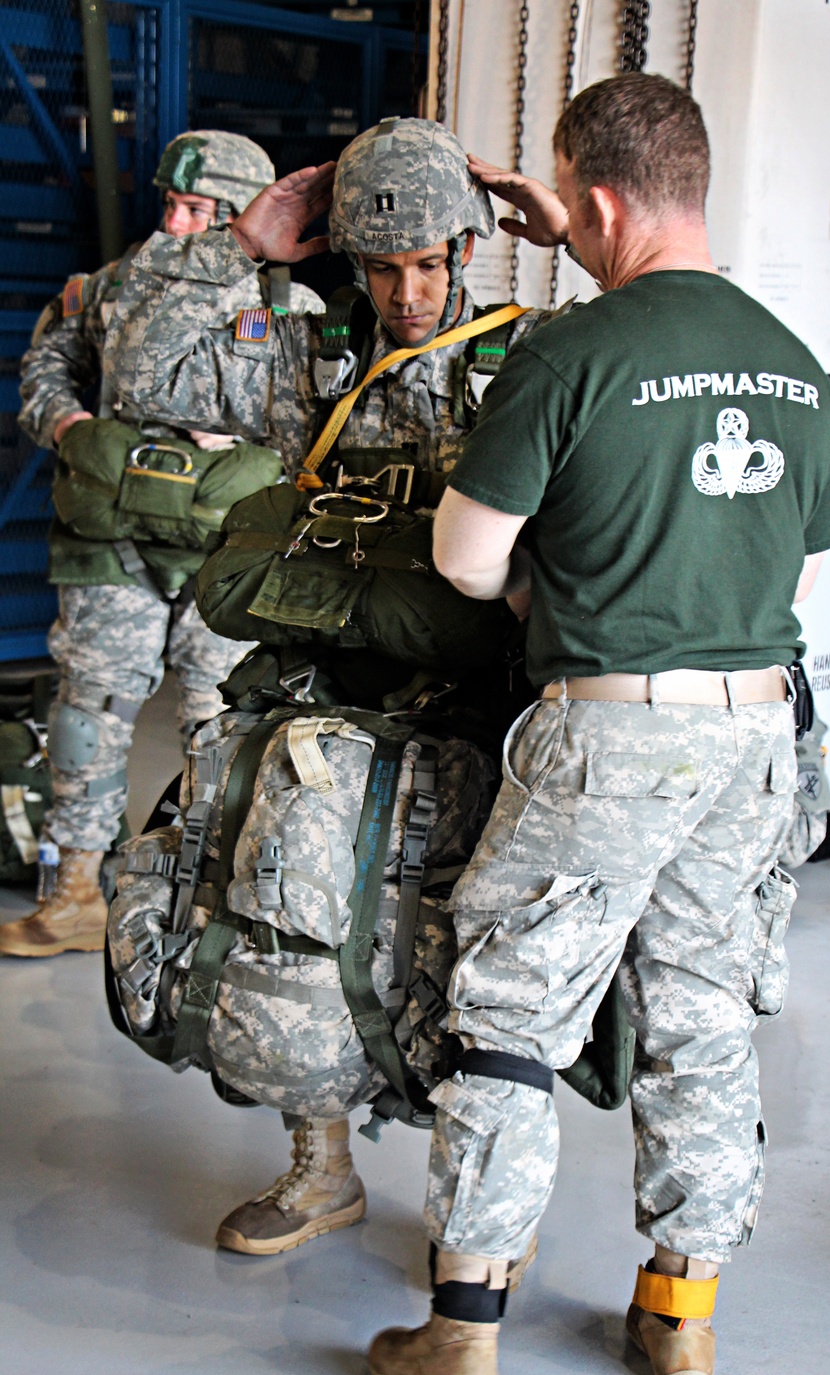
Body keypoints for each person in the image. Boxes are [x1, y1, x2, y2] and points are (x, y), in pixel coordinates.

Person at [366, 73, 830, 1375]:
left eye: (569, 211)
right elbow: (793, 574)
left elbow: (465, 559)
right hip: (752, 741)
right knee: (701, 1020)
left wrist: (542, 588)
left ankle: (462, 1336)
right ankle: (679, 1321)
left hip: (604, 737)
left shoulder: (569, 355)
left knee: (512, 1016)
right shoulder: (794, 363)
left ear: (596, 202)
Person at [101, 117, 545, 1261]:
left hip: (473, 695)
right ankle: (322, 1165)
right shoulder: (304, 351)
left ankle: (474, 1211)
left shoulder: (530, 352)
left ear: (464, 248)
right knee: (275, 903)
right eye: (383, 267)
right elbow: (142, 369)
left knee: (468, 946)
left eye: (429, 264)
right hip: (321, 682)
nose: (407, 293)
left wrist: (566, 233)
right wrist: (241, 248)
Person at [0, 131, 324, 961]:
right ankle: (74, 886)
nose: (177, 223)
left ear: (246, 213)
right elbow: (45, 367)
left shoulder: (291, 310)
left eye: (199, 209)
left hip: (228, 548)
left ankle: (206, 894)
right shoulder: (112, 290)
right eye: (170, 203)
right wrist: (72, 428)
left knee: (224, 721)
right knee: (90, 710)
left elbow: (320, 421)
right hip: (117, 542)